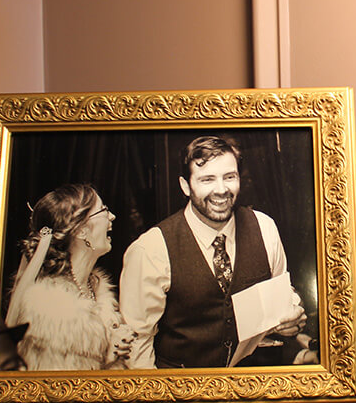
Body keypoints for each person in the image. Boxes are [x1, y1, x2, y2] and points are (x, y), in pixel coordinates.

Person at [119, 136, 307, 369]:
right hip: (181, 393)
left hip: (250, 385)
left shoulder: (264, 227)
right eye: (207, 179)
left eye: (229, 177)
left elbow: (280, 296)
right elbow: (136, 346)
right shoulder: (150, 249)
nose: (221, 190)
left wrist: (293, 316)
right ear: (185, 186)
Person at [2, 184, 134, 370]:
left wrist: (111, 355)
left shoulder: (94, 288)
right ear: (81, 231)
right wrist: (107, 355)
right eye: (103, 210)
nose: (112, 216)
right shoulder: (50, 309)